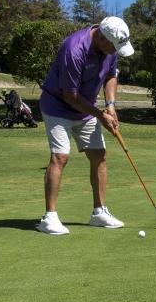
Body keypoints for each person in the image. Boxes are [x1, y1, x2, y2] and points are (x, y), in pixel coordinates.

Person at [35, 16, 135, 235]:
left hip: (86, 108)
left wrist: (110, 106)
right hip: (58, 106)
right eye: (113, 47)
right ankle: (49, 218)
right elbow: (69, 96)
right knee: (60, 156)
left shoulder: (110, 47)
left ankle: (99, 212)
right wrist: (100, 115)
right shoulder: (74, 49)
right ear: (100, 37)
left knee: (99, 154)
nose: (114, 51)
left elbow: (111, 75)